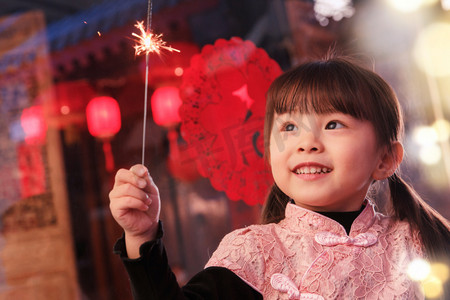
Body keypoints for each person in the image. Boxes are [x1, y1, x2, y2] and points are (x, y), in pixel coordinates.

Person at [109, 55, 450, 299]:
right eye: (289, 126)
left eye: (333, 124)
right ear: (269, 152)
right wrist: (141, 237)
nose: (307, 143)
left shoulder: (421, 242)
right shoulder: (253, 253)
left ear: (386, 158)